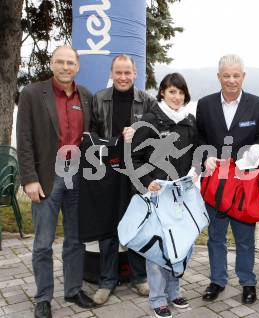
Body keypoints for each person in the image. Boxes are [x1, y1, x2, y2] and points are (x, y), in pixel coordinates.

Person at [16, 45, 95, 318]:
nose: (65, 67)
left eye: (70, 62)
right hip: (47, 179)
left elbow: (92, 138)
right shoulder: (31, 94)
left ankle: (73, 290)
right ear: (52, 63)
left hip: (77, 178)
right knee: (43, 243)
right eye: (60, 62)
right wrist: (29, 179)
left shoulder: (85, 95)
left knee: (75, 240)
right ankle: (43, 298)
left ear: (77, 66)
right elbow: (23, 138)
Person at [196, 54, 259, 304]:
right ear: (219, 77)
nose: (231, 80)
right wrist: (205, 156)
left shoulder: (258, 105)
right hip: (215, 183)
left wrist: (250, 158)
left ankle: (248, 282)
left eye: (236, 75)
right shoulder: (205, 105)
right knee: (216, 236)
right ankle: (217, 280)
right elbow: (200, 138)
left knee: (245, 237)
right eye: (226, 75)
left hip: (243, 184)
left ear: (243, 76)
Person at [89, 54, 156, 305]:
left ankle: (140, 278)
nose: (123, 77)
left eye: (127, 72)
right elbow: (91, 133)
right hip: (107, 172)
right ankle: (107, 280)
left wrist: (137, 132)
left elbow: (156, 136)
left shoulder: (147, 101)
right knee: (108, 229)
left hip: (137, 172)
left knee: (137, 225)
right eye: (118, 72)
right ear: (112, 73)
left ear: (135, 73)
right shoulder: (99, 98)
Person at [131, 73, 196, 318]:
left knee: (180, 245)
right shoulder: (149, 121)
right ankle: (157, 298)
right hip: (158, 196)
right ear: (162, 93)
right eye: (172, 92)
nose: (176, 97)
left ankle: (174, 290)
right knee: (159, 248)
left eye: (180, 92)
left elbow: (198, 151)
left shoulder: (189, 121)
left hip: (182, 194)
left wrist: (195, 171)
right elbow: (135, 158)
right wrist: (147, 182)